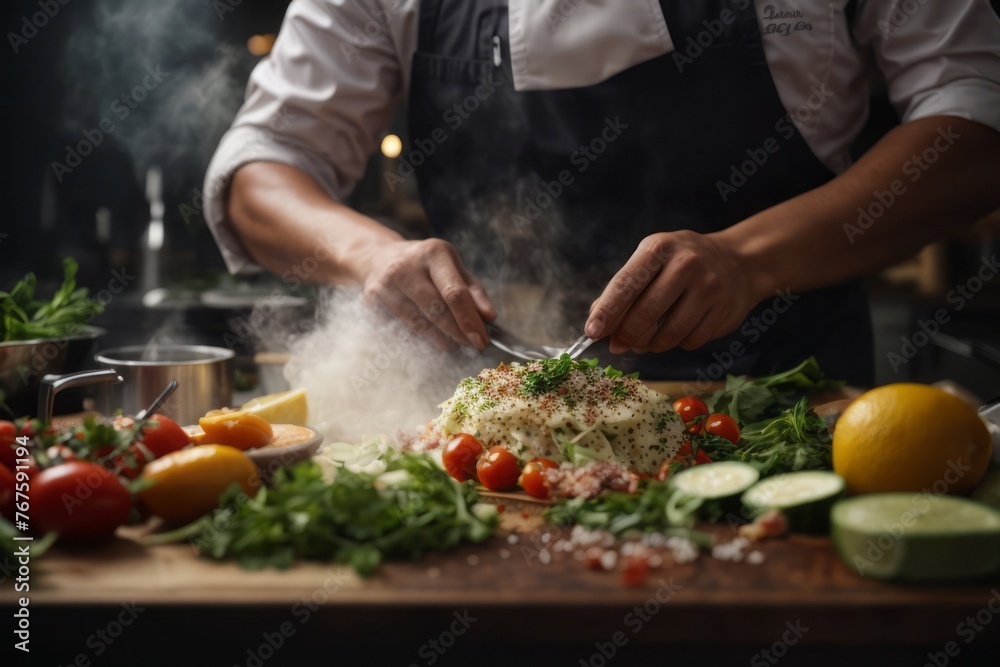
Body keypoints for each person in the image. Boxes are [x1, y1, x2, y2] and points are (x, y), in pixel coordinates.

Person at [204, 0, 1000, 386]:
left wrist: (748, 259)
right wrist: (373, 255)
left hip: (783, 409)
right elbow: (264, 163)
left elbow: (977, 119)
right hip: (491, 433)